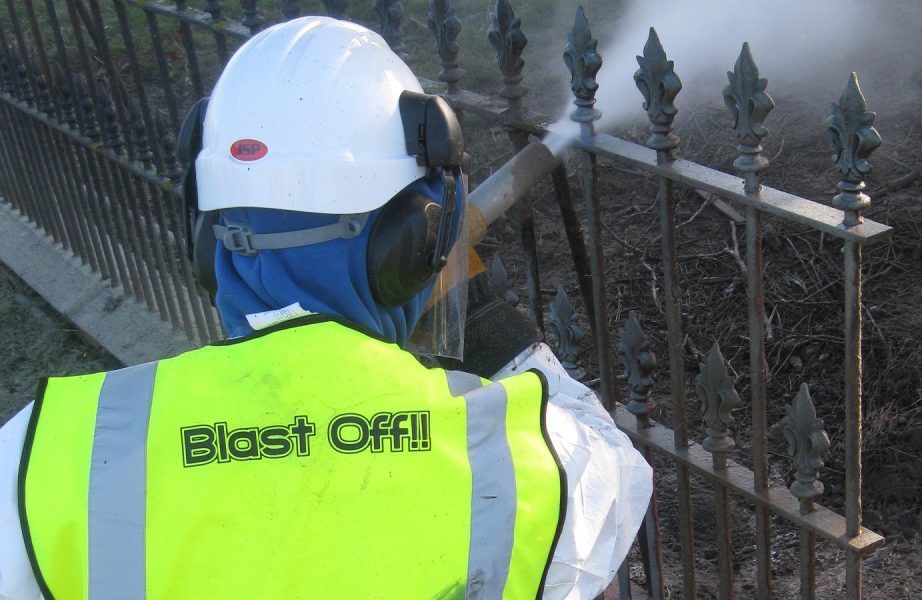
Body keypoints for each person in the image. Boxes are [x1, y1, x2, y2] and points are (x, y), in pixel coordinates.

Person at [0, 17, 651, 600]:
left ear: (209, 236)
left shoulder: (48, 455)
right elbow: (616, 476)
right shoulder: (511, 463)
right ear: (414, 245)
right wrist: (484, 318)